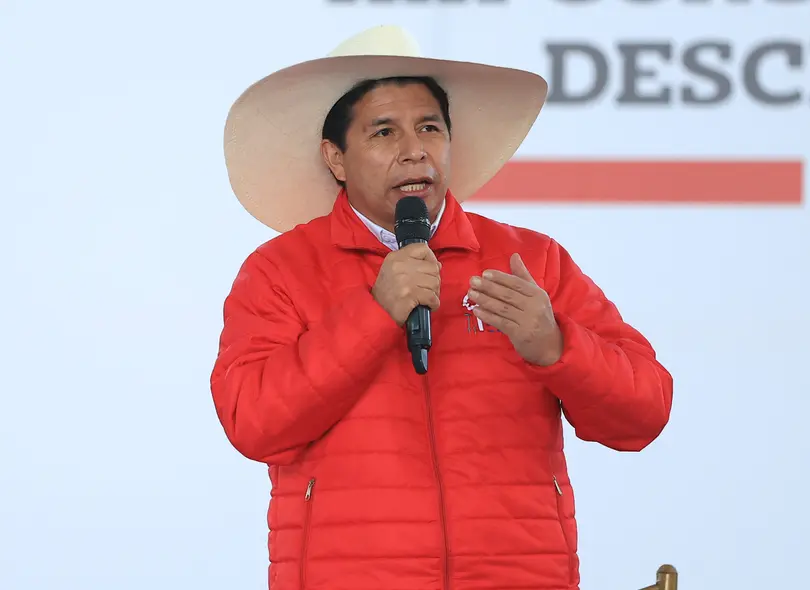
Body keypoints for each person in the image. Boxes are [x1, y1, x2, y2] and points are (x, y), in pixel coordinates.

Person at [211, 24, 674, 590]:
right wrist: (373, 315)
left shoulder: (531, 261)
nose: (414, 149)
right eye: (384, 131)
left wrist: (557, 346)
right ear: (336, 157)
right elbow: (254, 424)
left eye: (430, 127)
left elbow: (645, 411)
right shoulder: (280, 271)